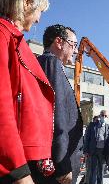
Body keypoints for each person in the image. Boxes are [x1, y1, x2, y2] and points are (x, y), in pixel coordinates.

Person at [0, 0, 54, 184]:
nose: (39, 19)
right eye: (40, 11)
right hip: (11, 166)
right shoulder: (3, 35)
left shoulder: (13, 39)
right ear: (27, 1)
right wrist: (18, 172)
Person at [36, 24, 83, 184]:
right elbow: (56, 115)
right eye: (73, 45)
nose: (76, 51)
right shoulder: (51, 63)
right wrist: (62, 164)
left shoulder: (46, 64)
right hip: (58, 168)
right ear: (59, 41)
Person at [83, 110, 109, 184]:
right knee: (93, 170)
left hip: (103, 152)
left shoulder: (108, 127)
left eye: (105, 116)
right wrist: (85, 151)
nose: (104, 117)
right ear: (100, 116)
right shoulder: (92, 125)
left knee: (101, 170)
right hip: (93, 151)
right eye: (102, 115)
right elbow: (87, 138)